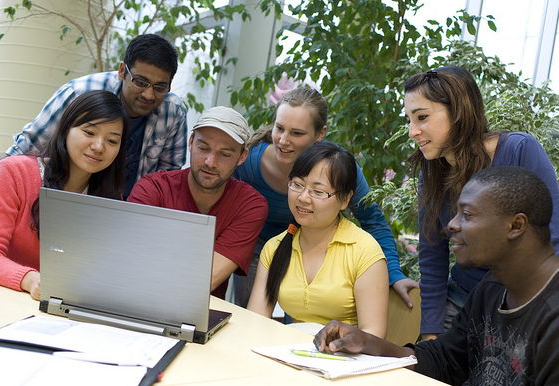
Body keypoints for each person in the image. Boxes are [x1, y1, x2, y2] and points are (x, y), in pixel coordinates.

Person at [314, 166, 559, 386]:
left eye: (467, 214)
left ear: (516, 226)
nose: (451, 225)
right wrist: (367, 343)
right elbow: (443, 360)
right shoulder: (493, 287)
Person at [399, 66, 559, 340]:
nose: (412, 131)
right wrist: (430, 334)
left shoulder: (519, 150)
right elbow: (433, 258)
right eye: (409, 120)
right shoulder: (432, 171)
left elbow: (555, 244)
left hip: (523, 300)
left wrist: (556, 318)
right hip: (463, 300)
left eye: (421, 117)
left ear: (458, 111)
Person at [233, 87, 418, 309]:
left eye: (297, 133)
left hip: (313, 247)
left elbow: (373, 219)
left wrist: (394, 275)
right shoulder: (248, 162)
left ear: (320, 134)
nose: (283, 141)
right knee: (249, 315)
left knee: (305, 317)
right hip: (259, 245)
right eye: (279, 128)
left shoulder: (338, 168)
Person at [0, 33, 187, 206]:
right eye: (141, 82)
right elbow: (23, 150)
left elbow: (166, 182)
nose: (149, 95)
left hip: (125, 213)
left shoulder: (173, 112)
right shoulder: (79, 93)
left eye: (160, 87)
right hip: (60, 203)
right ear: (123, 71)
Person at [0, 90, 129, 300]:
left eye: (112, 141)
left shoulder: (110, 197)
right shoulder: (14, 172)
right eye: (89, 133)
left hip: (62, 312)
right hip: (1, 301)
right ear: (66, 130)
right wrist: (30, 280)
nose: (98, 147)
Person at [247, 143, 389, 338]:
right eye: (297, 185)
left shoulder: (364, 251)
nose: (303, 198)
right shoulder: (275, 248)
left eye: (318, 191)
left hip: (344, 359)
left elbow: (374, 335)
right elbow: (255, 323)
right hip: (289, 354)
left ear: (345, 200)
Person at [127, 106, 268, 300]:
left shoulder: (250, 206)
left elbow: (203, 280)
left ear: (242, 157)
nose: (210, 162)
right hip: (135, 299)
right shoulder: (152, 189)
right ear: (191, 142)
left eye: (225, 154)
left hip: (201, 316)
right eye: (203, 148)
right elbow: (131, 261)